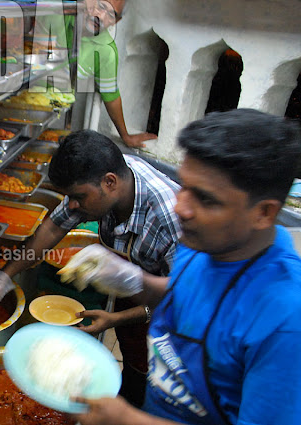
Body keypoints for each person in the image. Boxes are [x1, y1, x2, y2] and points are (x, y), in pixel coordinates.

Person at [67, 109, 301, 425]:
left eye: (205, 199)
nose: (180, 207)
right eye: (184, 185)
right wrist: (137, 281)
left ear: (264, 213)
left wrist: (128, 420)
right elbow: (188, 295)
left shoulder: (285, 321)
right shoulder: (210, 244)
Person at [0, 129, 181, 407]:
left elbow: (185, 303)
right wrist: (4, 276)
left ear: (110, 182)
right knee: (132, 379)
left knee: (152, 393)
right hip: (142, 307)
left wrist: (120, 318)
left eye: (78, 197)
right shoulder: (105, 180)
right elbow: (53, 227)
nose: (73, 205)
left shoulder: (169, 219)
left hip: (174, 327)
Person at [75, 0, 156, 148]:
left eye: (111, 14)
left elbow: (111, 95)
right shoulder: (64, 14)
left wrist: (125, 136)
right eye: (101, 6)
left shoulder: (106, 51)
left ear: (116, 21)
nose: (102, 17)